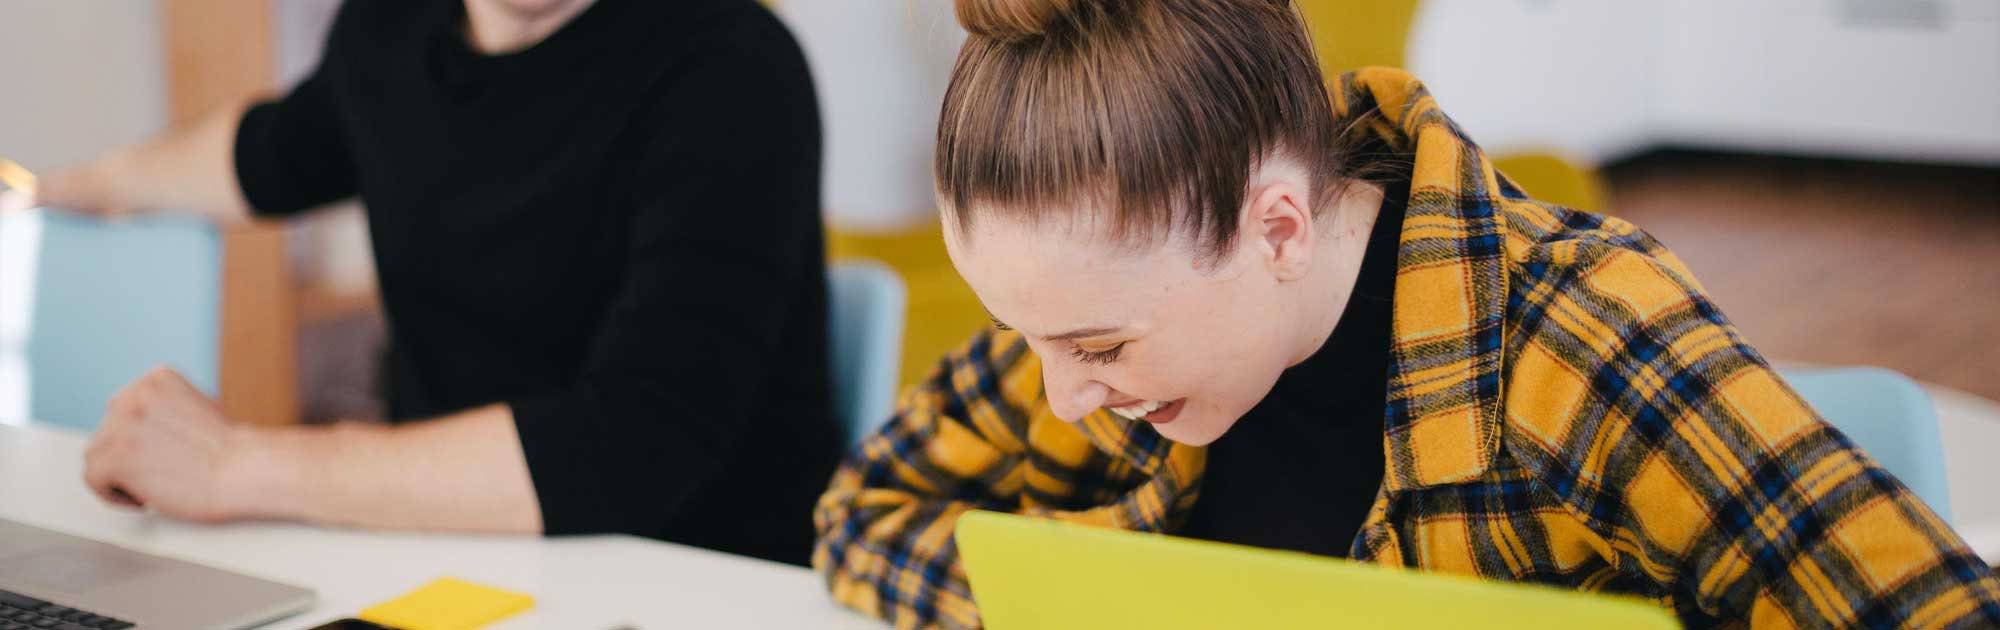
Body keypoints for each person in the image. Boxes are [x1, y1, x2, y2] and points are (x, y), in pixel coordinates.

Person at [811, 0, 2000, 624]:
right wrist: (1070, 598)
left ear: (1275, 228)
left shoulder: (1576, 336)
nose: (1062, 392)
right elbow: (863, 513)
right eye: (1026, 337)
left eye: (1097, 347)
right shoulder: (1100, 312)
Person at [1, 0, 839, 566]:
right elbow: (273, 152)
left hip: (692, 577)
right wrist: (80, 183)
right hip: (441, 553)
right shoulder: (392, 26)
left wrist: (235, 466)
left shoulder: (733, 68)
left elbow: (630, 448)